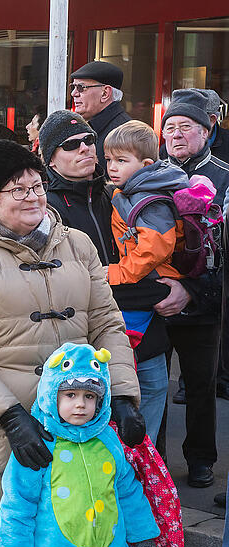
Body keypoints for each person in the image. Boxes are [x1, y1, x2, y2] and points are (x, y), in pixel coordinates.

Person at [0, 138, 142, 547]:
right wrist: (11, 417)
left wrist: (121, 394)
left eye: (36, 186)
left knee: (83, 539)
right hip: (9, 426)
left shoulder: (78, 244)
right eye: (17, 189)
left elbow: (106, 324)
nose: (32, 197)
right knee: (14, 539)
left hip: (81, 423)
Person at [0, 342, 159, 547]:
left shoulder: (109, 440)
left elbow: (128, 490)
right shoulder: (38, 444)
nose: (80, 404)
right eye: (70, 394)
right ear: (51, 393)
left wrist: (143, 536)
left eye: (90, 396)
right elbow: (18, 505)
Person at [157, 89, 229, 488]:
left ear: (207, 131)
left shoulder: (224, 176)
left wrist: (193, 290)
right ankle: (156, 458)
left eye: (186, 127)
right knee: (152, 383)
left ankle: (201, 459)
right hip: (157, 298)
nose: (176, 135)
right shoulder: (150, 174)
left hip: (204, 300)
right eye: (170, 127)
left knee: (201, 385)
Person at [103, 120, 189, 444]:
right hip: (146, 284)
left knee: (147, 380)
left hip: (153, 282)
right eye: (109, 159)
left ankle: (142, 461)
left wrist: (115, 273)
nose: (112, 167)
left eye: (121, 161)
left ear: (147, 165)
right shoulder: (132, 190)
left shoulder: (150, 199)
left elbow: (152, 251)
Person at [39, 110, 117, 266]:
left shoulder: (113, 195)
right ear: (51, 160)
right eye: (70, 145)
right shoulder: (45, 207)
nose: (84, 148)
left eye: (88, 139)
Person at [69, 61, 131, 171]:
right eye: (73, 87)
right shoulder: (89, 127)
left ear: (105, 93)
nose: (73, 93)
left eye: (81, 87)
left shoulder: (124, 134)